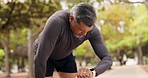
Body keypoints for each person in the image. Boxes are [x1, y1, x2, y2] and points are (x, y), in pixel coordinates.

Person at [34, 2, 112, 78]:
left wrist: (92, 72)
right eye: (81, 30)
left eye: (87, 31)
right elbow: (40, 59)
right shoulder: (56, 22)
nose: (84, 34)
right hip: (44, 54)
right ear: (71, 19)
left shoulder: (93, 31)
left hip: (65, 55)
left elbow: (107, 59)